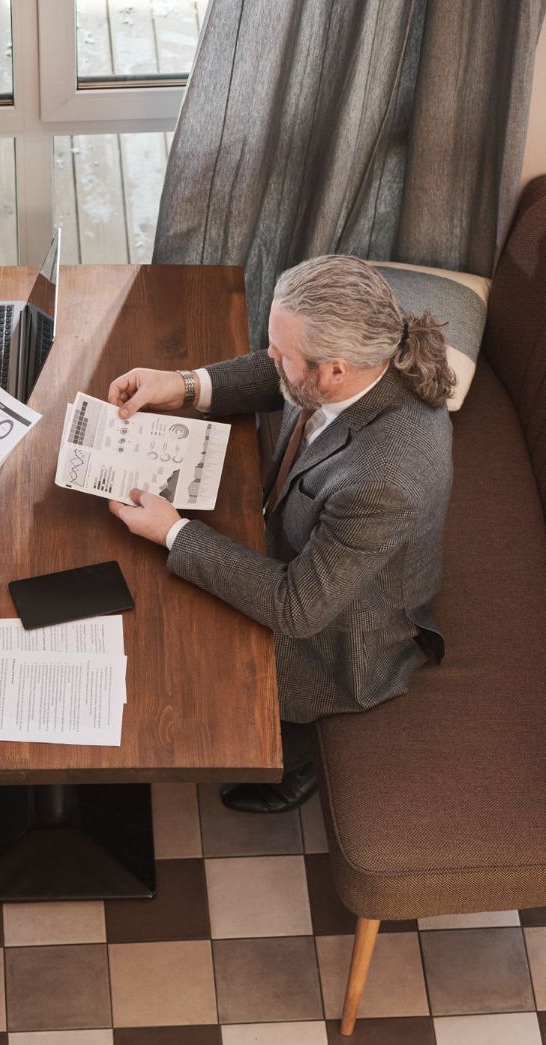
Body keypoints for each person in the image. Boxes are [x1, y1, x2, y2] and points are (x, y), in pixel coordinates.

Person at [106, 254, 455, 813]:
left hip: (339, 633)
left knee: (168, 655)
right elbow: (279, 376)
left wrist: (174, 532)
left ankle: (296, 757)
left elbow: (297, 609)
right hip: (299, 539)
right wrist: (182, 385)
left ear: (334, 370)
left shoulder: (383, 481)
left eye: (283, 352)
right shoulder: (358, 361)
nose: (270, 357)